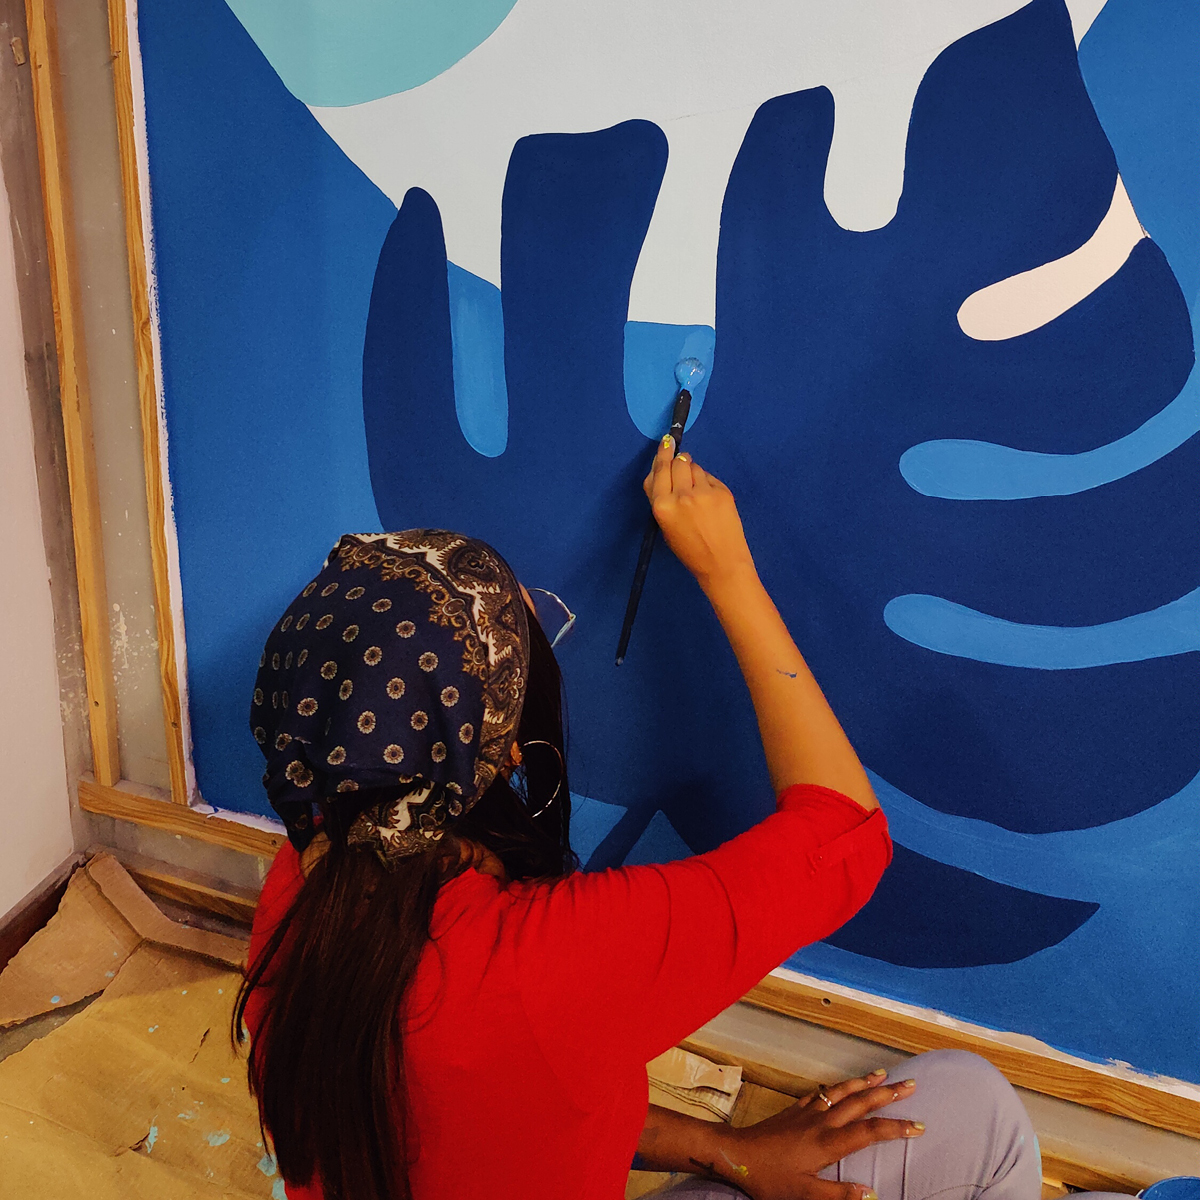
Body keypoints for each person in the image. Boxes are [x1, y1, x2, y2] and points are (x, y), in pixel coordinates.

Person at [237, 439, 1118, 1200]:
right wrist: (728, 572)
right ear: (497, 753)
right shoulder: (546, 961)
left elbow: (502, 1102)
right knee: (978, 1109)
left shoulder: (305, 884)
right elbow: (845, 832)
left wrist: (725, 1151)